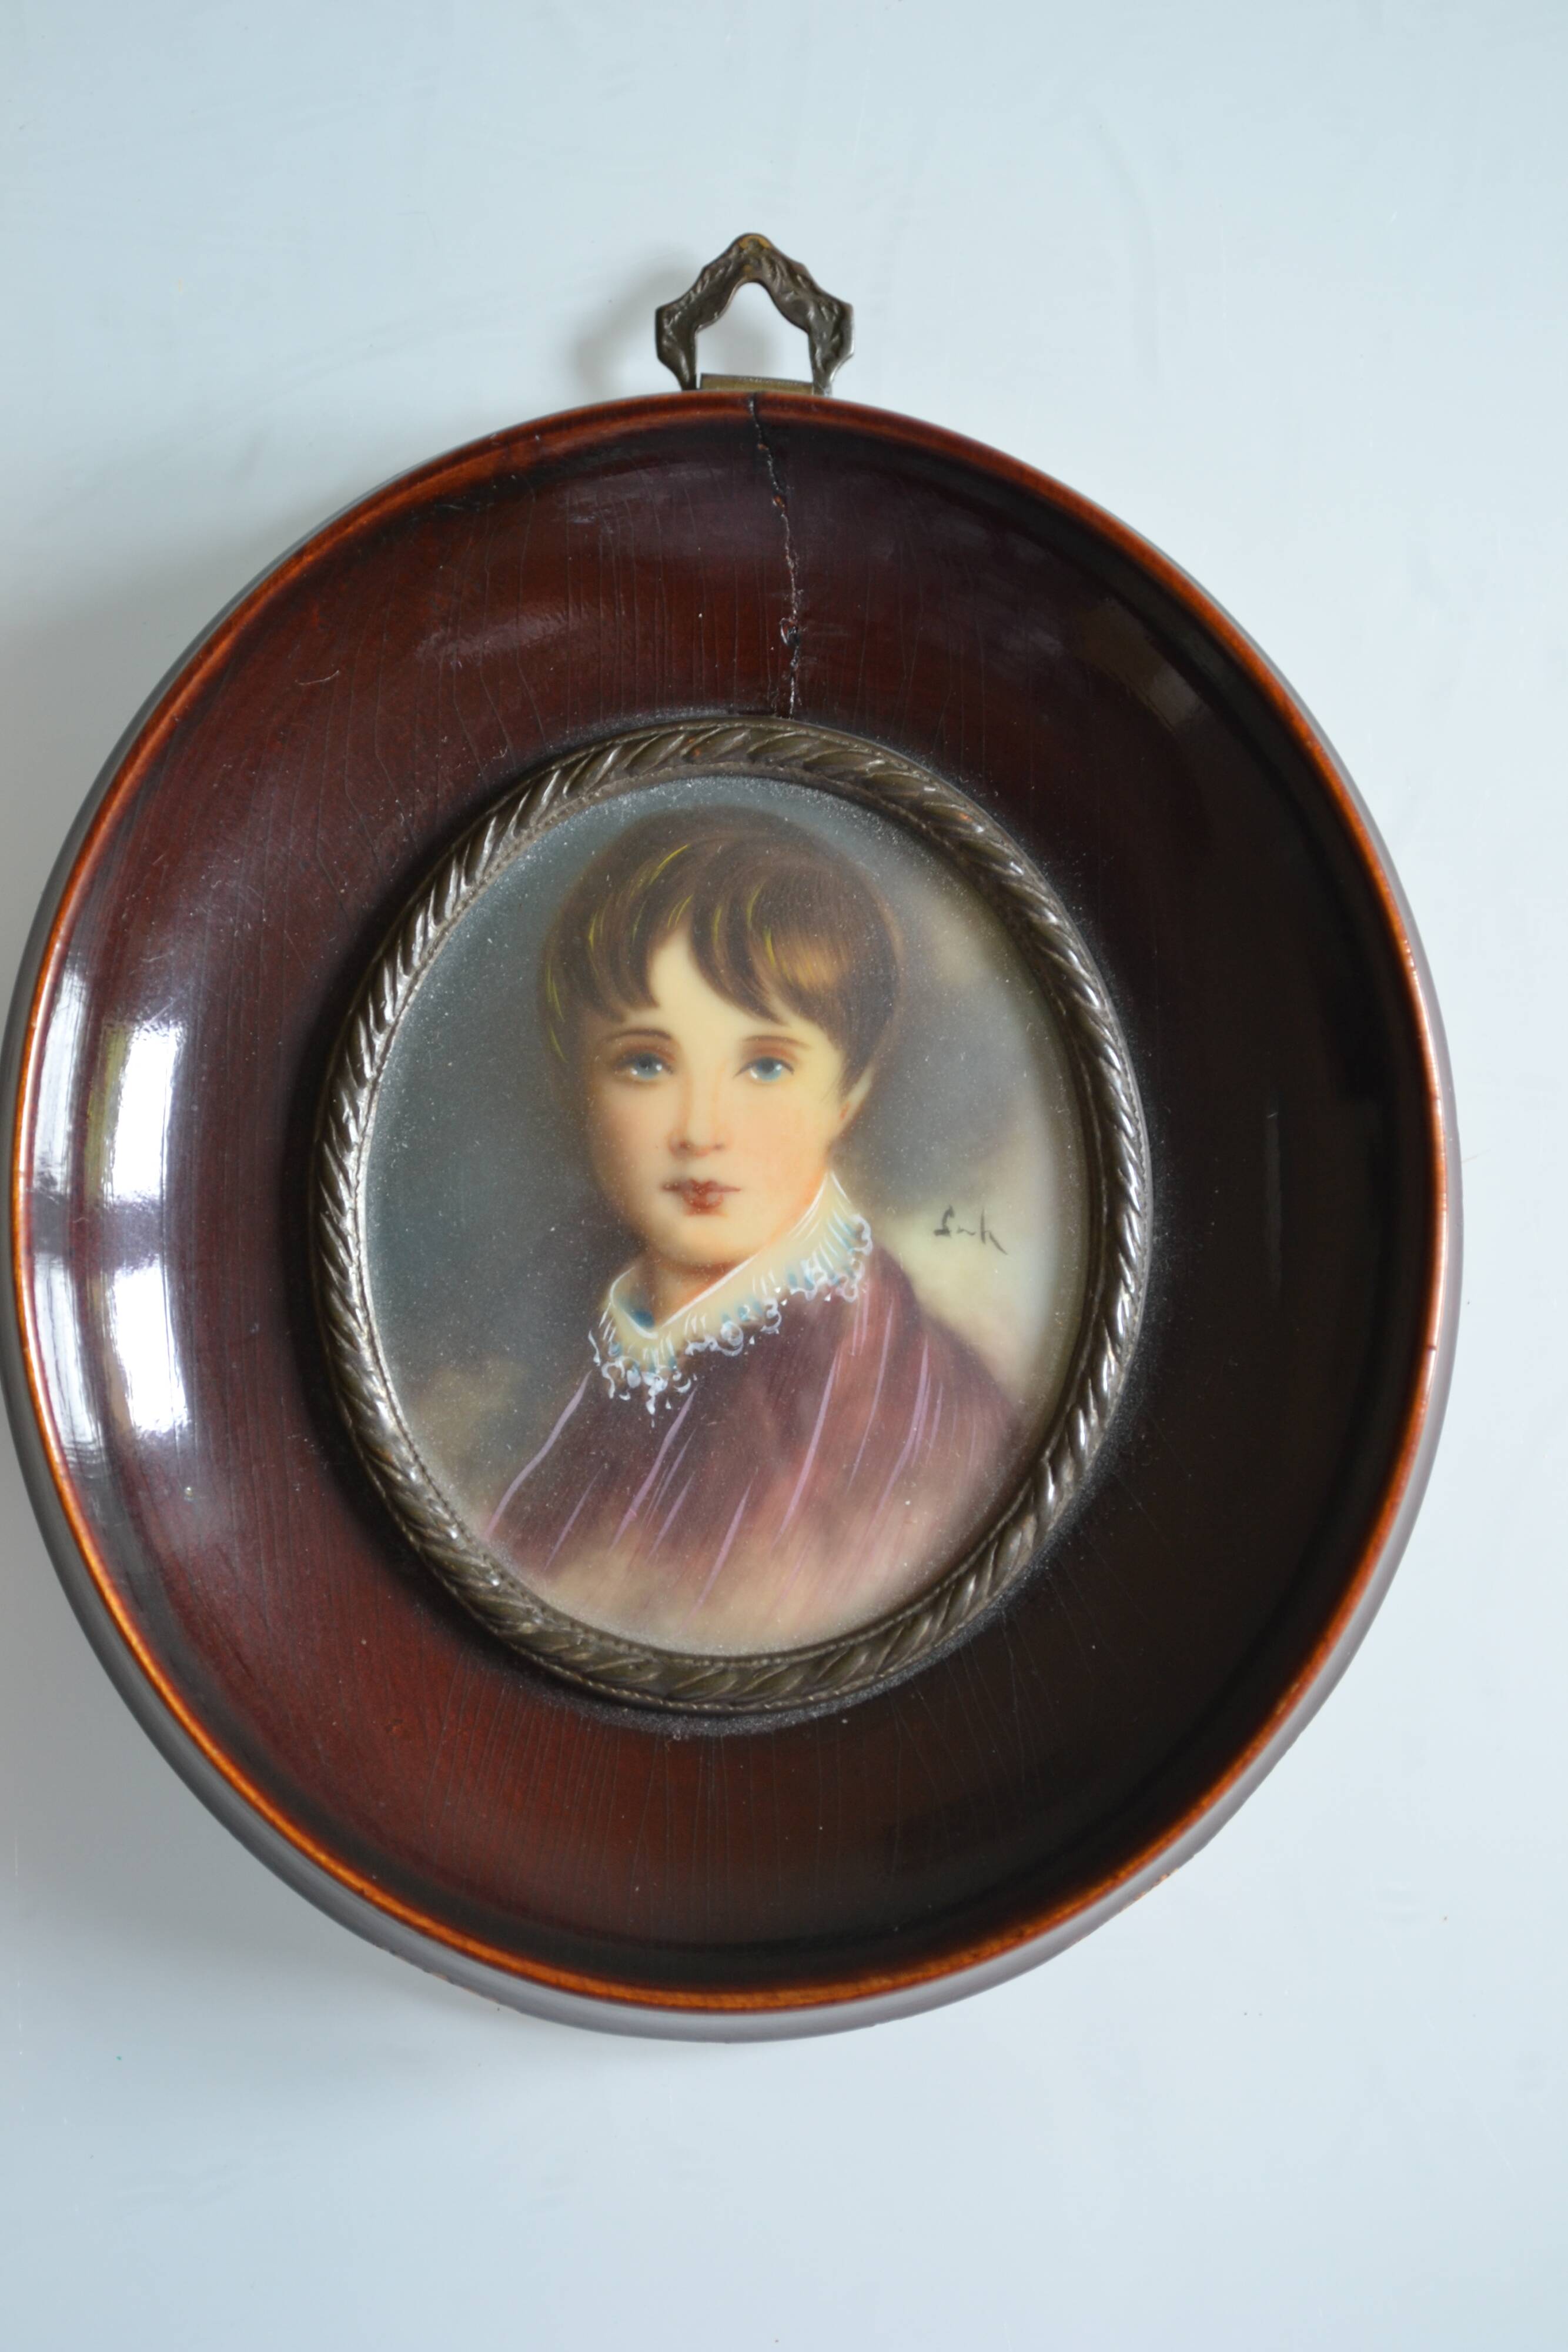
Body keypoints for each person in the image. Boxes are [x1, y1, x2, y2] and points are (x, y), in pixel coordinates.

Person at [485, 804, 1020, 1655]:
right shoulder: (617, 1348)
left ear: (846, 1094)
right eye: (646, 1062)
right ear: (577, 1086)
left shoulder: (889, 1395)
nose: (701, 1129)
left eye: (765, 1065)